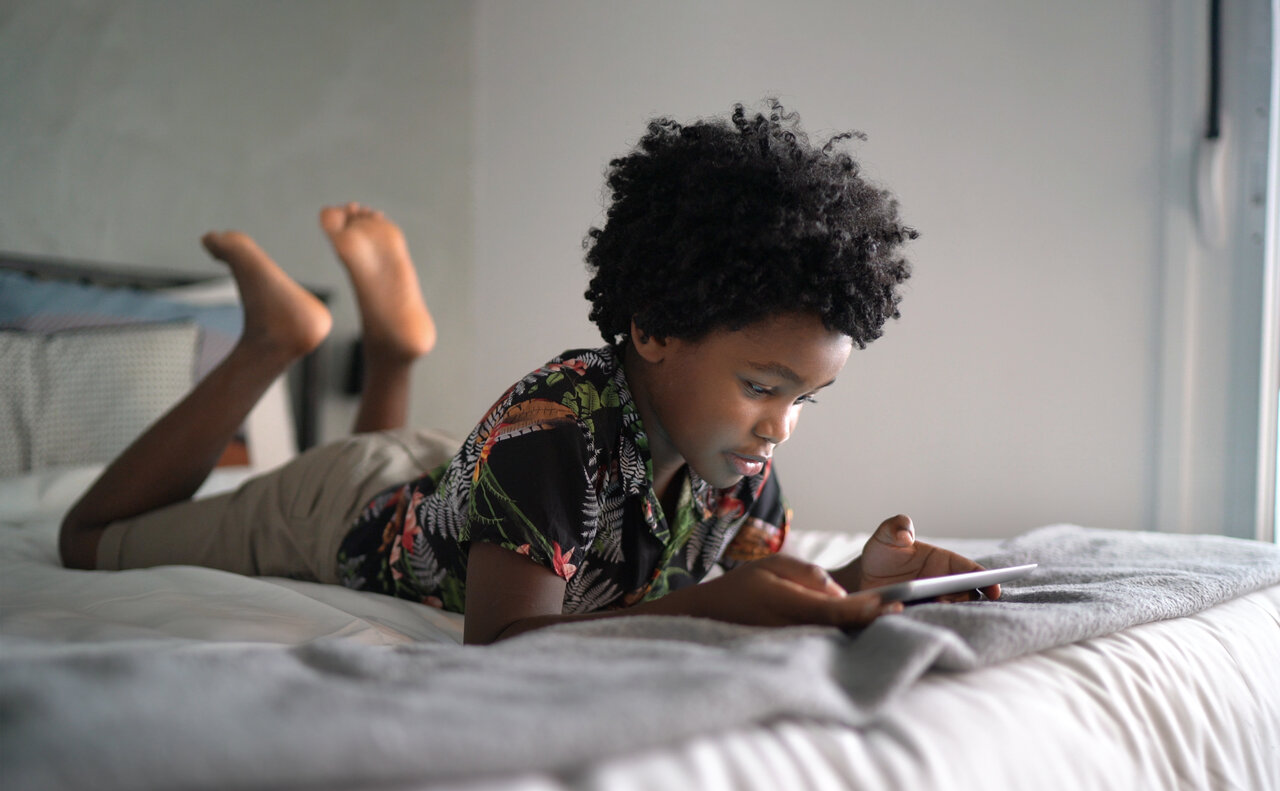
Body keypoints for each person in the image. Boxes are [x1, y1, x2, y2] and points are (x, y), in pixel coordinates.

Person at [59, 102, 999, 645]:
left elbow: (760, 586)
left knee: (411, 473)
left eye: (805, 400)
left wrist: (856, 575)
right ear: (655, 328)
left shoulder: (738, 472)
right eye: (763, 388)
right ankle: (275, 340)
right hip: (337, 509)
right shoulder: (550, 433)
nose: (779, 427)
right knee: (86, 537)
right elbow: (504, 642)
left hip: (444, 485)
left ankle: (393, 353)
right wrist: (716, 609)